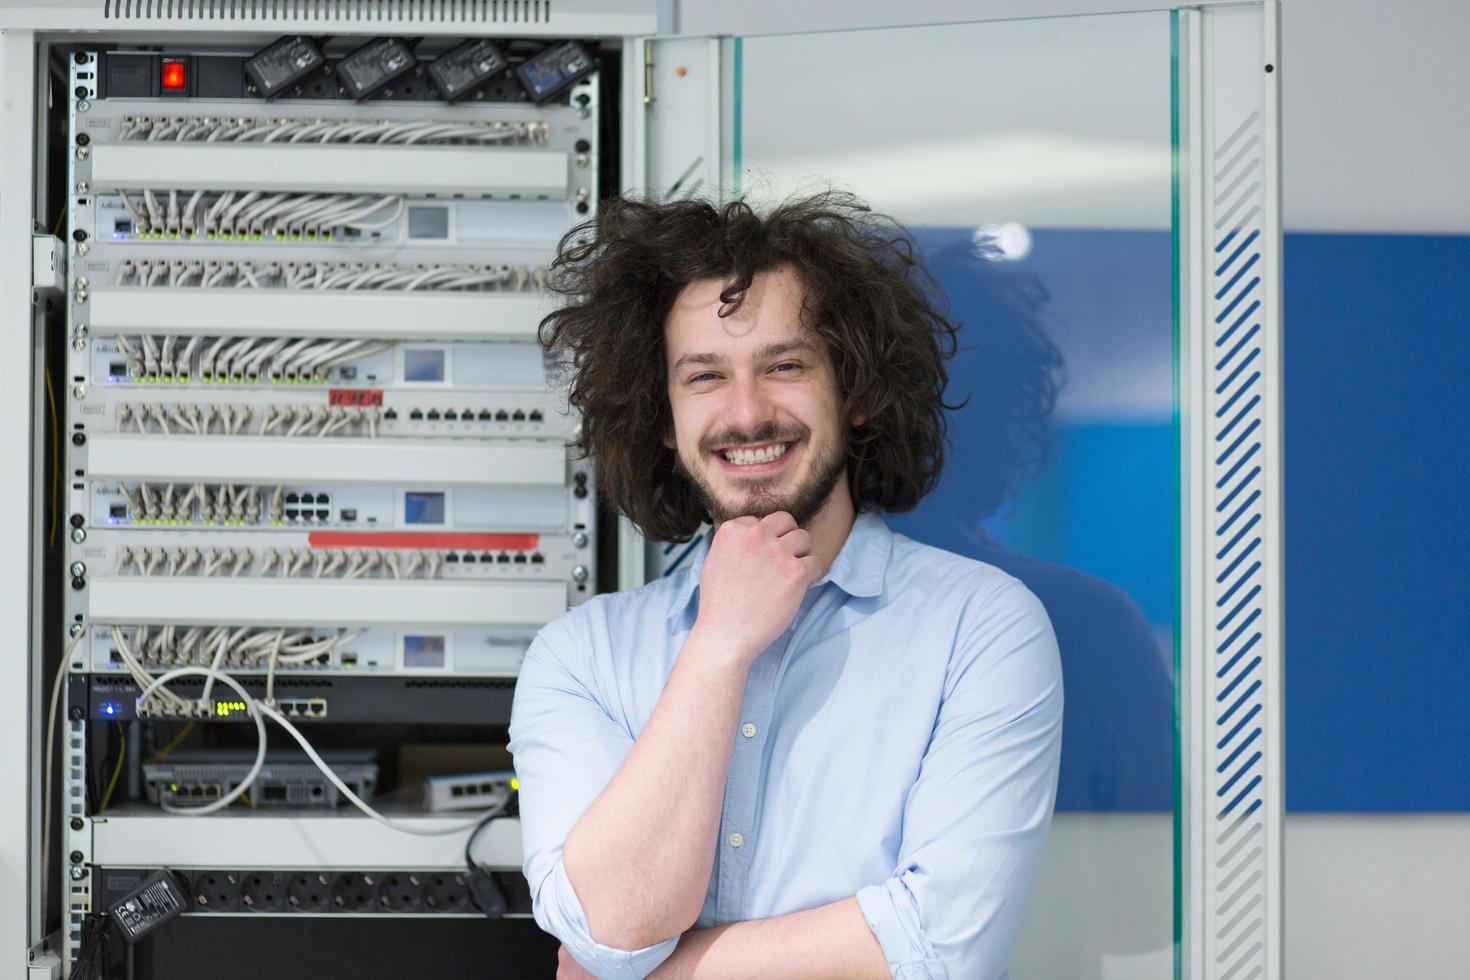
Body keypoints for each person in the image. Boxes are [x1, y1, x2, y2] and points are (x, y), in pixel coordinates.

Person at [507, 192, 1064, 979]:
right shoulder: (581, 657)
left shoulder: (982, 628)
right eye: (704, 376)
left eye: (786, 366)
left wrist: (652, 975)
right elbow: (609, 929)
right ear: (663, 416)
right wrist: (720, 645)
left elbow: (940, 947)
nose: (747, 413)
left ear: (857, 391)